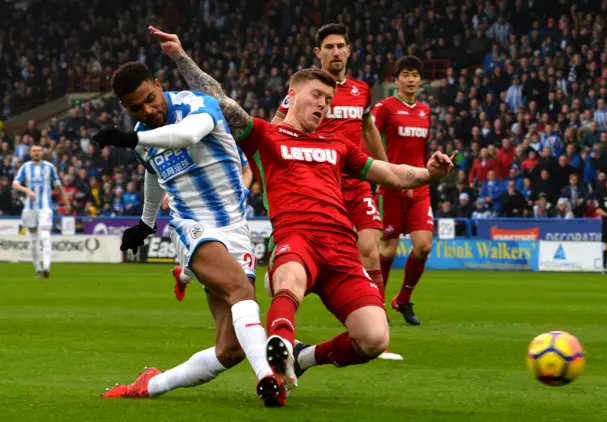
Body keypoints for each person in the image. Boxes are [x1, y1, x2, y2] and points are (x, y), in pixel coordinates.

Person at [149, 27, 454, 397]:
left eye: (328, 98)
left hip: (341, 248)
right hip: (297, 240)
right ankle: (276, 354)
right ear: (292, 96)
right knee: (289, 276)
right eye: (317, 96)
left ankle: (301, 358)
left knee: (374, 338)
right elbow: (219, 100)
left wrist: (429, 173)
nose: (324, 104)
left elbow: (390, 172)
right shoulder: (265, 136)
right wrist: (181, 57)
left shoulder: (339, 144)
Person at [93, 61, 286, 407]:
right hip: (190, 225)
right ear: (125, 107)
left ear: (158, 83)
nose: (148, 110)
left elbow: (187, 135)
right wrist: (146, 223)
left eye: (151, 98)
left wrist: (131, 137)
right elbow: (154, 176)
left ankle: (151, 385)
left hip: (233, 226)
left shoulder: (196, 104)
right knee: (241, 289)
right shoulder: (142, 137)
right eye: (137, 108)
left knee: (230, 351)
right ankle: (267, 377)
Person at [271, 23, 389, 313]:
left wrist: (386, 169)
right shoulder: (306, 88)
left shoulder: (361, 90)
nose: (335, 52)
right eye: (329, 47)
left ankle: (377, 315)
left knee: (370, 250)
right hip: (319, 182)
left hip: (356, 180)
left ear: (349, 51)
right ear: (318, 53)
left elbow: (368, 128)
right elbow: (275, 128)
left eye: (340, 47)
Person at [373, 56, 433, 326]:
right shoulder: (385, 108)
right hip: (392, 187)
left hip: (419, 188)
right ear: (396, 80)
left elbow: (424, 150)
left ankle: (403, 299)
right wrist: (384, 174)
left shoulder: (425, 111)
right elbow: (369, 137)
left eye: (415, 75)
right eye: (406, 75)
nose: (411, 80)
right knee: (387, 250)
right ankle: (376, 305)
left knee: (423, 247)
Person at [171, 145, 253, 301]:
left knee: (240, 272)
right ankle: (184, 276)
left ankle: (182, 276)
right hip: (202, 215)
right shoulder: (187, 143)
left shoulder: (230, 145)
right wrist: (170, 195)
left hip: (232, 214)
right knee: (205, 265)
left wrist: (242, 190)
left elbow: (247, 170)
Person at [12, 144, 71, 278]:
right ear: (30, 153)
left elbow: (59, 185)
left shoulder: (49, 167)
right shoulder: (25, 167)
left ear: (42, 153)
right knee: (33, 242)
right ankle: (38, 269)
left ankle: (46, 268)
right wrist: (27, 191)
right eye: (34, 151)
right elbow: (15, 183)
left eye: (39, 151)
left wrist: (66, 202)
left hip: (45, 208)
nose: (37, 153)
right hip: (29, 209)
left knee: (45, 237)